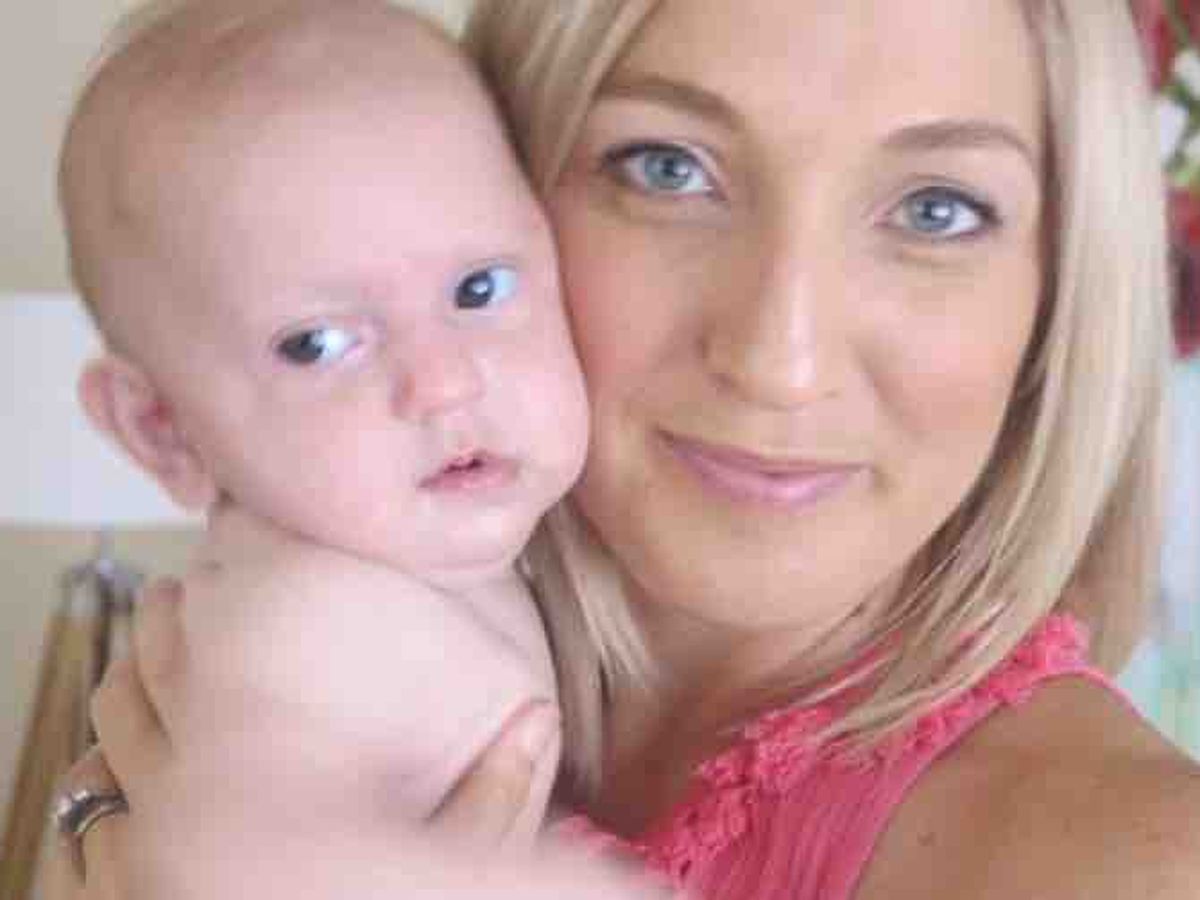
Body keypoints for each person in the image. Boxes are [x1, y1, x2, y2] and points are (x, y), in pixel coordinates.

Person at [52, 0, 1200, 898]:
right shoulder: (283, 654)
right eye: (666, 168)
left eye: (937, 210)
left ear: (1058, 295)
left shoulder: (1139, 861)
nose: (779, 359)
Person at [51, 0, 600, 857]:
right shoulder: (307, 638)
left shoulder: (398, 580)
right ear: (162, 431)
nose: (443, 383)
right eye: (317, 344)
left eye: (479, 289)